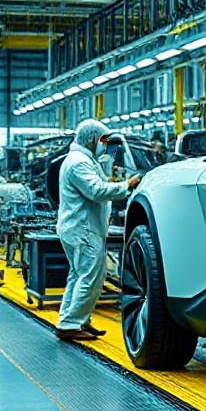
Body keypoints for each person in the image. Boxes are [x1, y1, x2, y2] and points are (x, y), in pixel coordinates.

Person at [55, 119, 141, 342]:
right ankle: (71, 325)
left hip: (81, 227)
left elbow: (99, 182)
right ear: (93, 139)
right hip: (82, 229)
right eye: (103, 140)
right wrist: (127, 185)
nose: (105, 144)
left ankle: (72, 320)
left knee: (79, 275)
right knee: (90, 276)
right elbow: (97, 190)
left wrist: (106, 164)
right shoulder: (78, 163)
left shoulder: (83, 159)